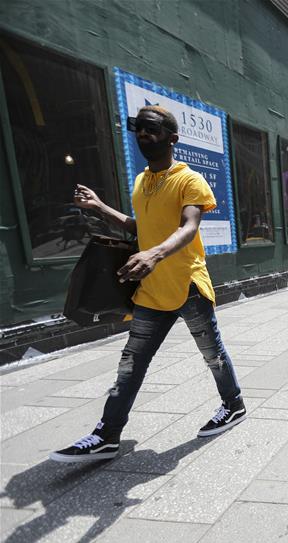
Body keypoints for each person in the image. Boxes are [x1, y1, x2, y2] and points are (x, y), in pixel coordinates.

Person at [50, 105, 245, 463]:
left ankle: (233, 405)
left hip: (188, 285)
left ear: (172, 138)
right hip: (151, 290)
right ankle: (107, 435)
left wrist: (154, 254)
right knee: (131, 361)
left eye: (152, 129)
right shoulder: (142, 182)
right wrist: (99, 207)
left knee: (212, 355)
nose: (143, 134)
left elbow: (189, 227)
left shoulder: (189, 180)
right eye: (139, 128)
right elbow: (140, 227)